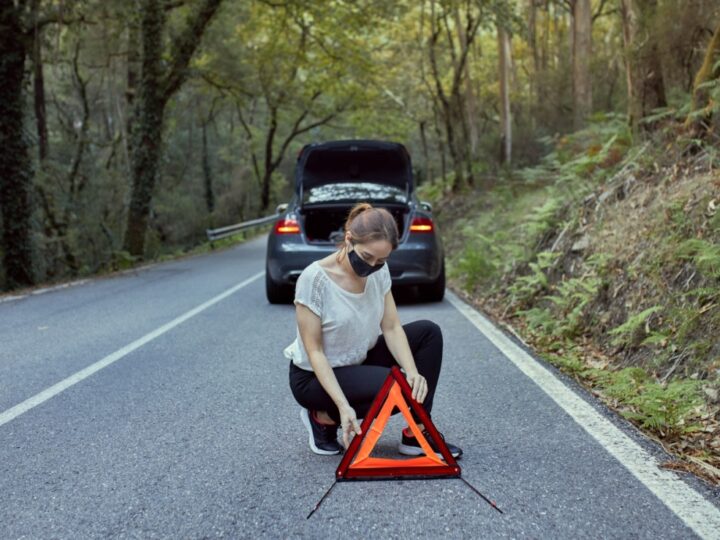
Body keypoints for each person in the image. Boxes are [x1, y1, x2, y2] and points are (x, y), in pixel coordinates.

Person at [284, 202, 462, 459]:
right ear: (349, 240)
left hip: (358, 358)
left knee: (428, 333)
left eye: (382, 260)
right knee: (395, 387)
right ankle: (323, 417)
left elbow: (390, 326)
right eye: (367, 257)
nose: (373, 265)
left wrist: (413, 372)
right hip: (313, 377)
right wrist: (343, 408)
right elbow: (315, 351)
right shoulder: (314, 280)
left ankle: (417, 431)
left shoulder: (378, 270)